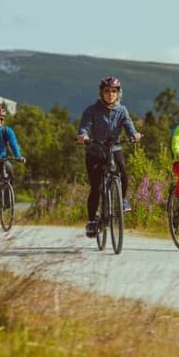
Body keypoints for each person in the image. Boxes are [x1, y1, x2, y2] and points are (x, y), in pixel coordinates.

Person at [76, 76, 142, 238]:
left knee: (124, 174)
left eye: (114, 91)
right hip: (95, 150)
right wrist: (83, 136)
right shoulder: (92, 110)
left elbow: (129, 126)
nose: (110, 94)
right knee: (96, 187)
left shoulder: (122, 110)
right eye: (107, 91)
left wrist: (134, 134)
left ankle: (123, 200)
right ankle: (92, 221)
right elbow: (84, 127)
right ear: (101, 93)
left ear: (118, 93)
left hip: (114, 148)